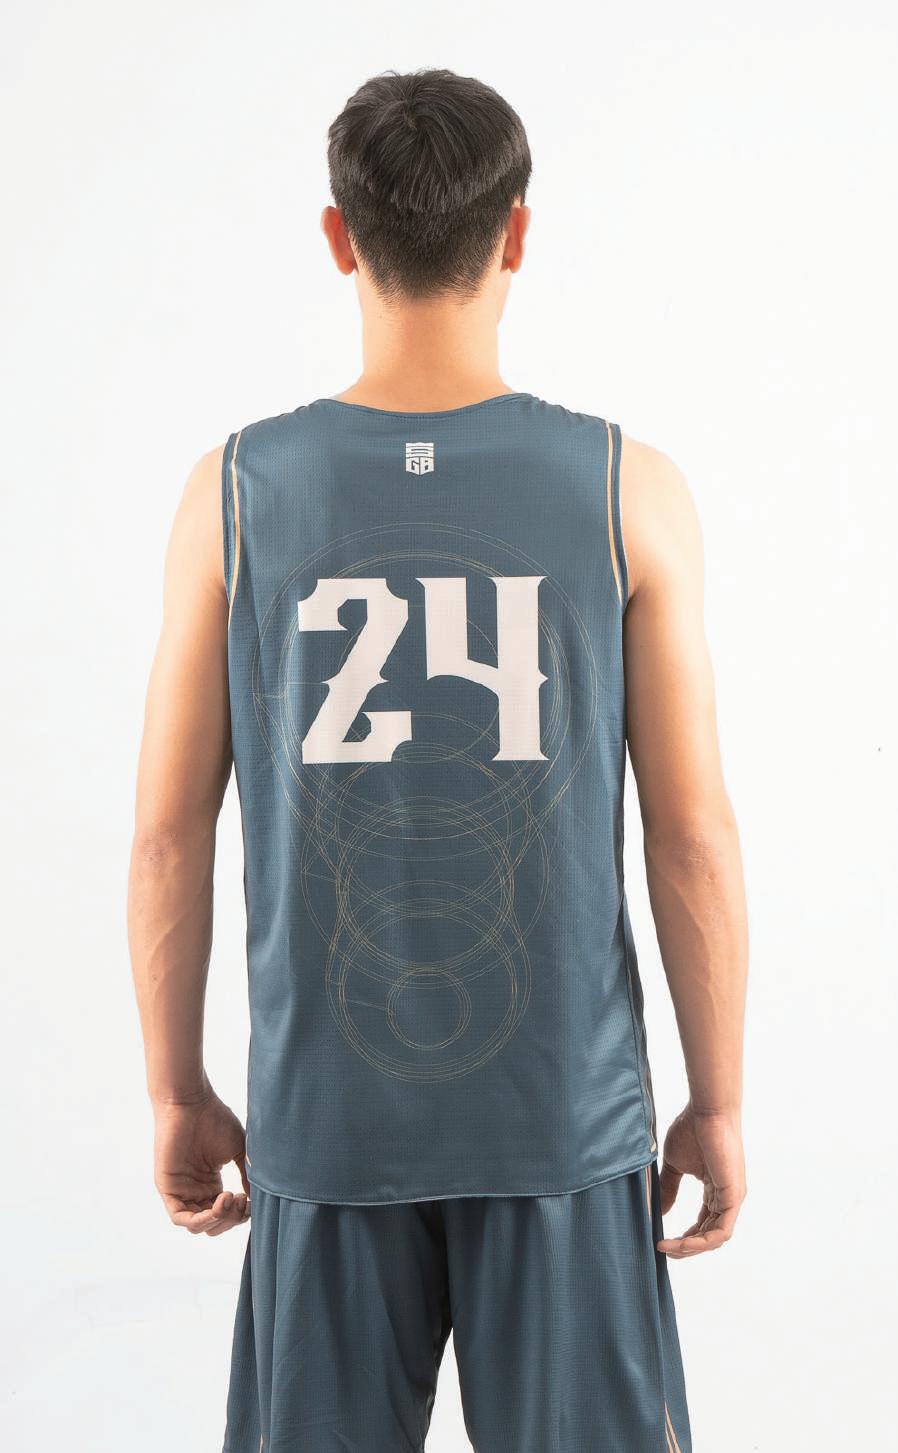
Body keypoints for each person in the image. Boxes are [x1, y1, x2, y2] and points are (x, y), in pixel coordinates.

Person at [128, 67, 748, 1453]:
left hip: (326, 1124)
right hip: (562, 1123)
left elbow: (168, 832)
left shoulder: (231, 494)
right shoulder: (628, 489)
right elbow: (691, 834)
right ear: (517, 234)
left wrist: (174, 1089)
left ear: (337, 237)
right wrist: (714, 1100)